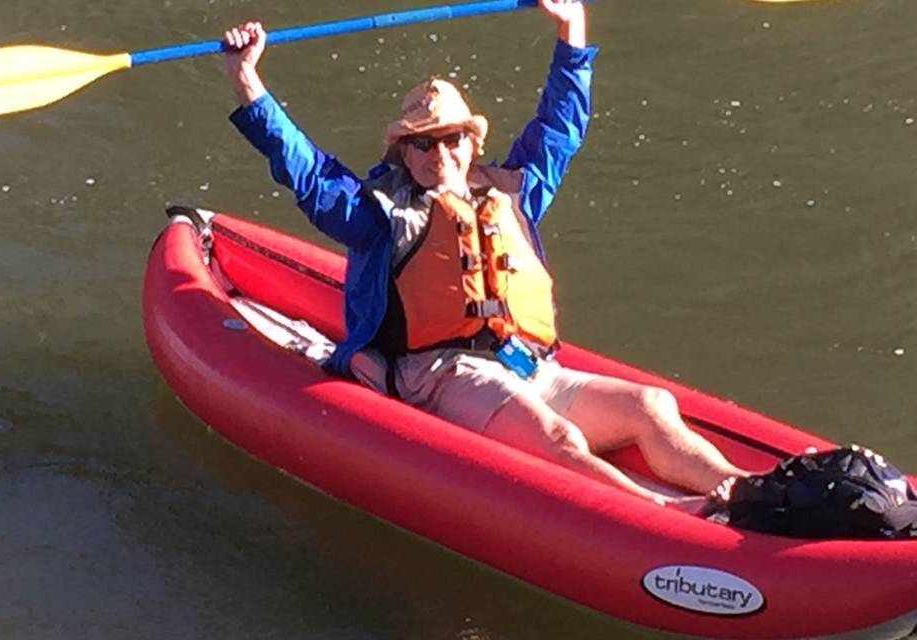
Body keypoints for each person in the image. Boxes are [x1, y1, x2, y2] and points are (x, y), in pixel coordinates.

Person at [223, 0, 746, 510]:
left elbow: (559, 130)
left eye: (450, 139)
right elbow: (309, 173)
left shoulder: (513, 192)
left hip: (526, 364)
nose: (438, 155)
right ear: (403, 152)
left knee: (650, 405)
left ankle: (744, 490)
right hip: (438, 372)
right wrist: (248, 80)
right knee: (557, 436)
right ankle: (666, 514)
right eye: (422, 144)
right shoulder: (379, 214)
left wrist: (572, 28)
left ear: (471, 143)